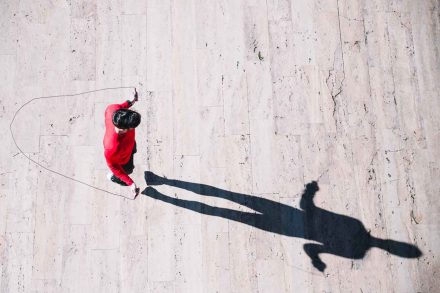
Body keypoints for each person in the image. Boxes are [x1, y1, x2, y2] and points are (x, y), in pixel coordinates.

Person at [103, 90, 141, 199]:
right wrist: (131, 183)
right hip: (122, 158)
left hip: (130, 145)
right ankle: (113, 177)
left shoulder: (112, 109)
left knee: (133, 151)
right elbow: (113, 166)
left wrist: (131, 101)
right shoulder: (111, 148)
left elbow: (122, 106)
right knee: (128, 170)